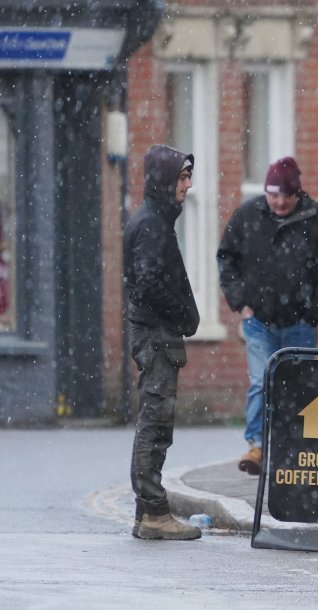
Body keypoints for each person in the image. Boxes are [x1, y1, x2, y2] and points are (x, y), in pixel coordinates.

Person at [217, 156, 318, 475]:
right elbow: (227, 259)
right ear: (266, 193)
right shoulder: (248, 216)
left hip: (300, 322)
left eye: (285, 195)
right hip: (259, 321)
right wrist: (241, 302)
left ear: (297, 193)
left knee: (300, 387)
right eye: (273, 195)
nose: (279, 202)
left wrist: (315, 311)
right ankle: (257, 445)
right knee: (261, 381)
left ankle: (294, 447)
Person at [123, 144, 201, 540]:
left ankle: (147, 513)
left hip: (154, 333)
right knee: (155, 422)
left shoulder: (153, 219)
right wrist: (182, 315)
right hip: (156, 335)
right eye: (182, 178)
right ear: (164, 181)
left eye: (188, 177)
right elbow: (148, 282)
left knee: (155, 421)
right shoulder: (152, 223)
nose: (187, 185)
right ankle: (154, 512)